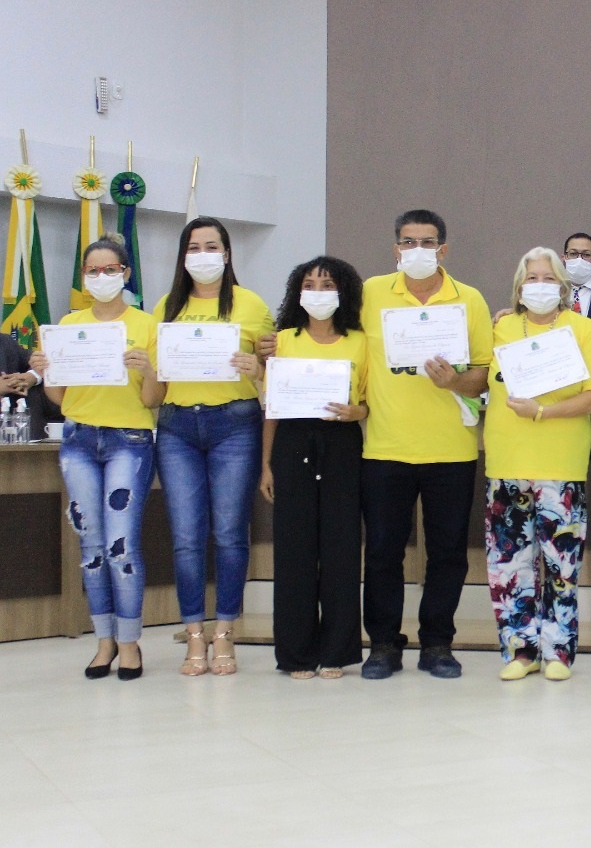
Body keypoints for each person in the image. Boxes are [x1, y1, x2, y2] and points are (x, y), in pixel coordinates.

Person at [357, 209, 493, 680]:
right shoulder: (370, 293)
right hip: (384, 449)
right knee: (381, 553)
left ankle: (437, 643)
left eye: (427, 242)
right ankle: (382, 645)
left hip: (451, 450)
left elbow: (482, 376)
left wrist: (455, 381)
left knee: (449, 554)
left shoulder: (469, 300)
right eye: (408, 242)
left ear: (444, 249)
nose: (418, 250)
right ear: (395, 248)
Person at [30, 235, 163, 680]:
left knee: (120, 544)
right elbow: (60, 399)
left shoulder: (147, 324)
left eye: (110, 270)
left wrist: (148, 369)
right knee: (90, 546)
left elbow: (153, 398)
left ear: (126, 273)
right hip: (79, 439)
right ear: (83, 276)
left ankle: (129, 643)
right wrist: (48, 371)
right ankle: (102, 641)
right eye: (92, 271)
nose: (101, 277)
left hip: (130, 439)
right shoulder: (68, 324)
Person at [484, 248, 591, 681]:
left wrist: (542, 411)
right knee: (509, 564)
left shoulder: (584, 329)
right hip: (506, 461)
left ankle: (558, 652)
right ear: (519, 288)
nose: (539, 285)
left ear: (563, 286)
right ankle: (520, 651)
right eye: (531, 278)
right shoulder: (499, 327)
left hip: (560, 464)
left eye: (548, 277)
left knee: (561, 566)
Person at [156, 217, 273, 676]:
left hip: (235, 425)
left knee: (228, 534)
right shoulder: (168, 304)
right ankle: (194, 633)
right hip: (177, 427)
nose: (203, 254)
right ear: (184, 256)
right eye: (194, 246)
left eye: (213, 246)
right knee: (186, 538)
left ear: (227, 253)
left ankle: (225, 630)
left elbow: (273, 368)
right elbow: (157, 374)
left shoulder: (251, 303)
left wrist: (259, 364)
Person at [259, 256, 368, 680]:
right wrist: (267, 464)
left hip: (342, 443)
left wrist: (354, 411)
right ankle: (296, 653)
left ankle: (337, 651)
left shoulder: (360, 341)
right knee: (294, 551)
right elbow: (270, 407)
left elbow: (369, 402)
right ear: (297, 292)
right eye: (310, 285)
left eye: (327, 286)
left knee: (341, 550)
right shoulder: (281, 340)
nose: (318, 294)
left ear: (343, 293)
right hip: (291, 443)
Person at [562, 233, 591, 320]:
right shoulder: (552, 290)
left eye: (586, 255)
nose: (579, 259)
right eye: (573, 253)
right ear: (563, 258)